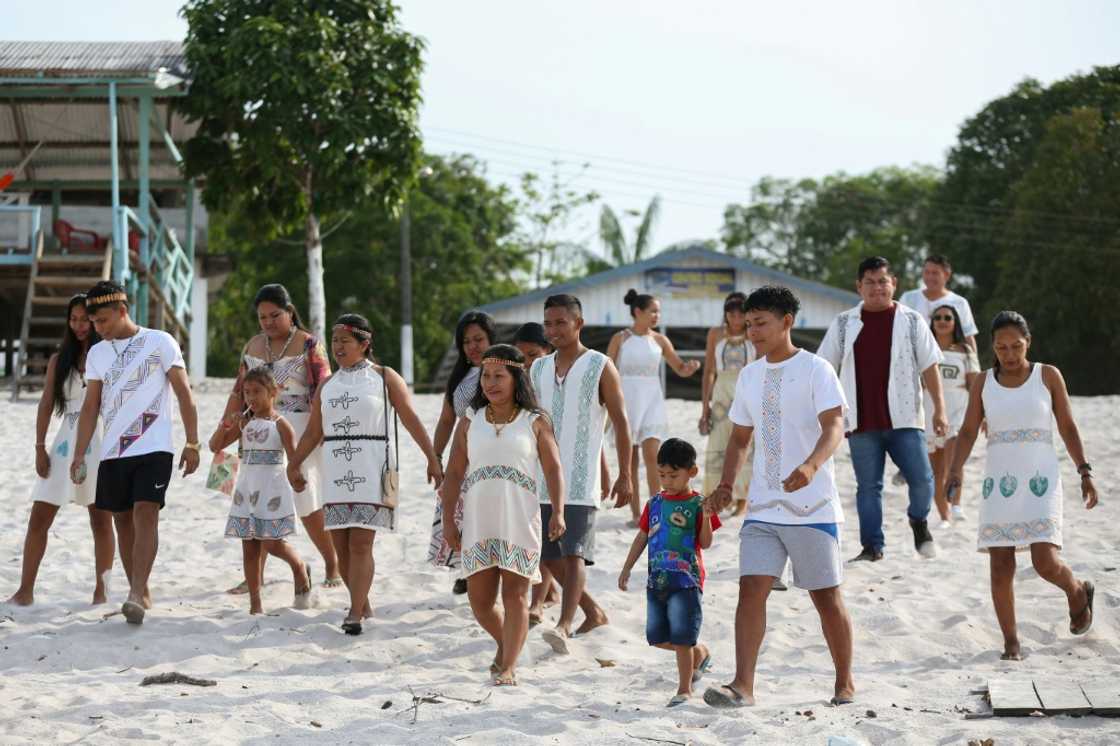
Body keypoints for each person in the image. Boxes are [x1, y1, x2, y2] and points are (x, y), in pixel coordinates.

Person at [702, 286, 855, 709]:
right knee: (751, 588)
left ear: (787, 321)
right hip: (764, 505)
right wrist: (728, 486)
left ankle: (844, 682)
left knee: (825, 596)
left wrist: (811, 466)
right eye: (748, 323)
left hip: (813, 505)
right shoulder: (749, 375)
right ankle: (743, 686)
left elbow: (835, 427)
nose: (752, 331)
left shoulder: (816, 369)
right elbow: (738, 440)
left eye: (761, 323)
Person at [946, 311, 1097, 661]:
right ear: (992, 349)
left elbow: (1068, 426)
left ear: (1028, 343)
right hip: (1000, 481)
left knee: (1045, 561)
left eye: (1016, 346)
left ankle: (1076, 592)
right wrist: (955, 471)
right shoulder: (983, 382)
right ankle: (1011, 641)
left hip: (1041, 477)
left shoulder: (1048, 376)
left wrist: (1084, 471)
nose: (1010, 354)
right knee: (1001, 564)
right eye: (1001, 348)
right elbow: (968, 431)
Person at [289, 314, 442, 635]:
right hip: (335, 466)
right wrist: (295, 462)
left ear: (364, 343)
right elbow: (314, 431)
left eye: (345, 341)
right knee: (341, 546)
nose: (338, 347)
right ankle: (362, 601)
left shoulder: (385, 377)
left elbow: (411, 419)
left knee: (360, 544)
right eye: (334, 341)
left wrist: (432, 457)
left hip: (375, 464)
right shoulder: (328, 385)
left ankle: (355, 612)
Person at [70, 281, 201, 625]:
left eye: (102, 321)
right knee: (122, 519)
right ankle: (138, 590)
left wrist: (192, 441)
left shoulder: (160, 342)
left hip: (154, 446)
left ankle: (135, 592)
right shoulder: (97, 354)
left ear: (122, 310)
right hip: (113, 449)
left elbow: (184, 394)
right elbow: (90, 408)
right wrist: (79, 453)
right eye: (93, 323)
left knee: (146, 511)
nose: (98, 328)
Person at [440, 344, 566, 685]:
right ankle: (507, 643)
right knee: (480, 602)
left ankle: (509, 665)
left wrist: (558, 511)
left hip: (519, 517)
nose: (490, 383)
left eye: (499, 376)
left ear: (516, 378)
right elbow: (453, 474)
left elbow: (553, 469)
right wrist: (449, 521)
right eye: (485, 376)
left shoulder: (535, 421)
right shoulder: (470, 420)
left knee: (515, 596)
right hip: (479, 519)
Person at [209, 283, 340, 593]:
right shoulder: (252, 346)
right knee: (252, 501)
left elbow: (324, 391)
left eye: (274, 315)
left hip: (300, 429)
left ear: (290, 312)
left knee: (305, 500)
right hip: (255, 430)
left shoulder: (310, 344)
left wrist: (319, 433)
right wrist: (223, 430)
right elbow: (237, 393)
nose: (268, 322)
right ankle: (254, 576)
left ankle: (332, 563)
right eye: (262, 317)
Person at [817, 256, 948, 563]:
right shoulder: (843, 323)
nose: (877, 288)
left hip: (905, 418)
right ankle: (872, 547)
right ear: (859, 287)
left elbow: (930, 367)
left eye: (883, 281)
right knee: (868, 488)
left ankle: (919, 521)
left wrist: (939, 409)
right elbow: (824, 368)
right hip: (860, 421)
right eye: (870, 282)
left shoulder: (912, 320)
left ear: (894, 284)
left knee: (922, 479)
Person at [531, 293, 633, 653]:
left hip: (580, 476)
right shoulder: (538, 368)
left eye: (561, 322)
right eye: (548, 323)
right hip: (539, 477)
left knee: (573, 552)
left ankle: (564, 624)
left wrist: (624, 474)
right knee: (546, 555)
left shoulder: (600, 366)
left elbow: (621, 423)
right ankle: (592, 611)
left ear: (579, 324)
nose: (553, 329)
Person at [7, 295, 115, 606]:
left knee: (100, 519)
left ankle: (101, 590)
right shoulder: (60, 359)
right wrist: (39, 447)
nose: (80, 326)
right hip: (66, 438)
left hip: (99, 437)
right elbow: (44, 405)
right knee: (39, 515)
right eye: (74, 319)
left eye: (86, 319)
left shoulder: (107, 355)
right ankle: (25, 590)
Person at [618, 438, 719, 707]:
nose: (667, 481)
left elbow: (706, 543)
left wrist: (707, 517)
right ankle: (701, 652)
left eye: (673, 475)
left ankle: (684, 689)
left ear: (692, 472)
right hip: (657, 579)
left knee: (682, 638)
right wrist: (627, 567)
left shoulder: (698, 503)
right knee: (659, 637)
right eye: (662, 475)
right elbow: (642, 537)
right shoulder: (654, 503)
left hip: (687, 580)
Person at [212, 367, 312, 615]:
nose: (251, 398)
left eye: (257, 392)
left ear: (273, 392)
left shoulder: (281, 425)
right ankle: (255, 605)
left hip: (272, 488)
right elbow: (215, 446)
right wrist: (226, 424)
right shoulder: (244, 423)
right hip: (247, 488)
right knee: (250, 547)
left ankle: (299, 566)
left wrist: (298, 480)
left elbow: (294, 459)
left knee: (272, 543)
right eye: (246, 393)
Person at [607, 289, 701, 524]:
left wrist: (688, 368)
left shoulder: (660, 339)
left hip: (652, 399)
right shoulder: (621, 338)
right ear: (638, 312)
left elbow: (678, 366)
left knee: (653, 456)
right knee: (631, 459)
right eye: (653, 311)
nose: (657, 315)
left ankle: (656, 510)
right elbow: (606, 369)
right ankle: (637, 513)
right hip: (627, 398)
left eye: (658, 311)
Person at [428, 311, 496, 594]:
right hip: (462, 459)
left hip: (493, 456)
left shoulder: (502, 371)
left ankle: (486, 571)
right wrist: (435, 457)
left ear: (491, 338)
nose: (473, 346)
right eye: (466, 341)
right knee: (460, 516)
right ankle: (468, 569)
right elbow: (446, 420)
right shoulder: (459, 376)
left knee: (488, 517)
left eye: (479, 339)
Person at [700, 291, 756, 517]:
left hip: (746, 389)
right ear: (726, 314)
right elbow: (709, 371)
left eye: (740, 313)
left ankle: (743, 498)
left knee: (746, 445)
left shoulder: (754, 334)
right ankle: (718, 493)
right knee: (718, 443)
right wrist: (704, 407)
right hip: (721, 392)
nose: (735, 318)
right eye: (731, 313)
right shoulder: (715, 334)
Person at [925, 304, 981, 527]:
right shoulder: (925, 349)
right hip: (930, 409)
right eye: (937, 317)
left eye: (947, 317)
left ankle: (956, 503)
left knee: (953, 459)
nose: (942, 320)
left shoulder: (966, 351)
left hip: (958, 408)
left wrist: (981, 414)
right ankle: (944, 516)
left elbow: (974, 384)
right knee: (936, 469)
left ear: (955, 322)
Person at [899, 254, 979, 349]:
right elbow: (899, 330)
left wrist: (974, 362)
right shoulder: (908, 298)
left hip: (948, 358)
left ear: (947, 275)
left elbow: (968, 336)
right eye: (927, 272)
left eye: (935, 273)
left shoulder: (960, 303)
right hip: (914, 358)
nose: (930, 277)